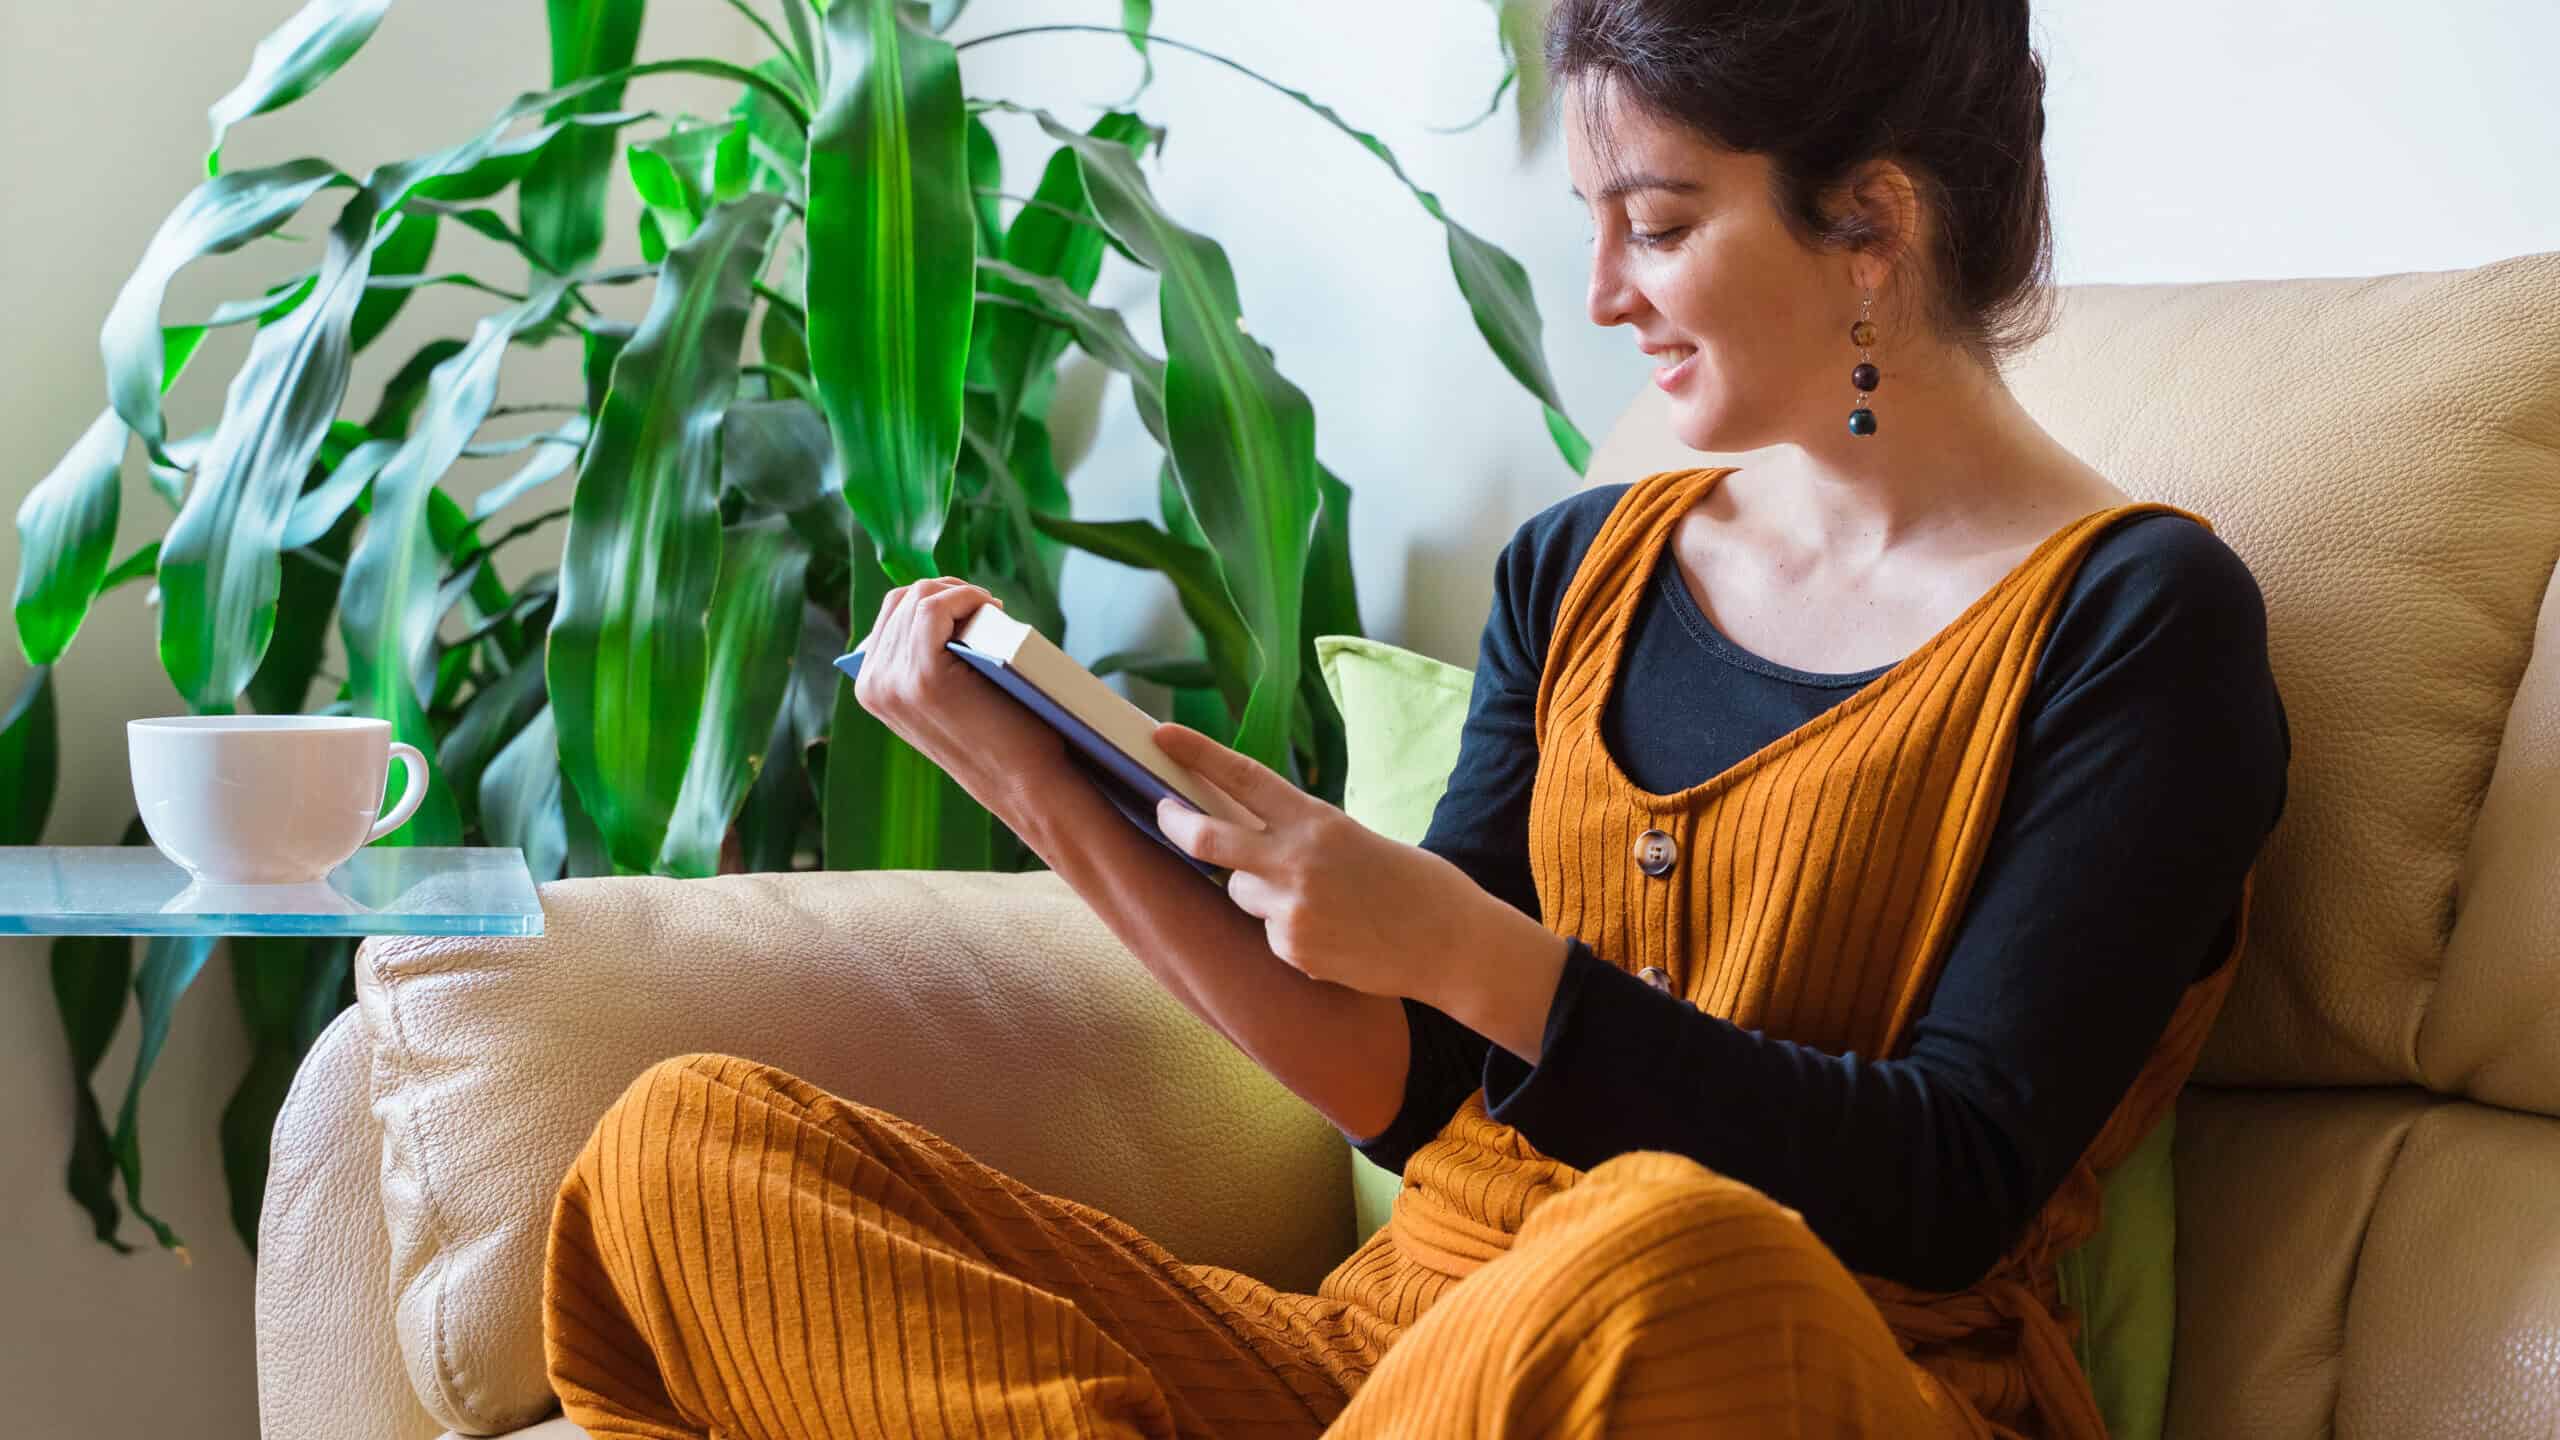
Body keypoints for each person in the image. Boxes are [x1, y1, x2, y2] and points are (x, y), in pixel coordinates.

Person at [540, 0, 2290, 1434]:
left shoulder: (2140, 627)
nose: (1604, 293)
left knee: (1661, 1249)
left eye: (1660, 225)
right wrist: (1039, 781)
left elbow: (1950, 1177)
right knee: (684, 1152)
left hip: (1767, 1357)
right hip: (1404, 1359)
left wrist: (1470, 949)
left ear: (1874, 229)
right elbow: (1411, 1089)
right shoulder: (1578, 569)